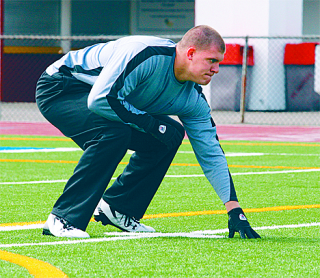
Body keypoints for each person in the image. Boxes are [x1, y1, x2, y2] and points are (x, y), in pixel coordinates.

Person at [36, 25, 260, 239]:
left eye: (219, 62)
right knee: (114, 133)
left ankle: (118, 207)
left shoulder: (193, 99)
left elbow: (210, 151)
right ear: (191, 53)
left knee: (170, 135)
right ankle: (63, 218)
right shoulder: (145, 53)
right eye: (211, 60)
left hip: (104, 99)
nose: (217, 69)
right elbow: (100, 99)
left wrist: (234, 210)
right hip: (62, 87)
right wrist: (152, 125)